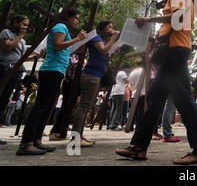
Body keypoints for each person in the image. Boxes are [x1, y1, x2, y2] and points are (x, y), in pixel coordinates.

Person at [116, 0, 197, 165]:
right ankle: (139, 147)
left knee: (183, 100)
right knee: (155, 99)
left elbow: (178, 18)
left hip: (175, 51)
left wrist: (150, 19)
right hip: (171, 52)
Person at [16, 8, 87, 155]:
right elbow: (57, 45)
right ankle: (26, 143)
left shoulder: (63, 28)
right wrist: (77, 39)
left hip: (57, 71)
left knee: (47, 107)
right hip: (51, 70)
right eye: (76, 18)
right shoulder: (60, 26)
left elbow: (61, 48)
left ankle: (36, 140)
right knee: (41, 107)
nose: (76, 22)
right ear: (67, 16)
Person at [71, 20, 120, 146]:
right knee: (84, 106)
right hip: (91, 74)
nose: (111, 29)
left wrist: (113, 49)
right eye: (109, 27)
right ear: (103, 28)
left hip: (97, 74)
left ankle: (79, 135)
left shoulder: (101, 39)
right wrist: (114, 38)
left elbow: (104, 55)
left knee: (87, 105)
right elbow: (103, 51)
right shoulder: (96, 37)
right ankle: (75, 137)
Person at [0, 15, 44, 133]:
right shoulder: (7, 32)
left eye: (26, 25)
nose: (25, 27)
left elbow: (22, 58)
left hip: (17, 70)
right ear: (15, 23)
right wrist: (20, 36)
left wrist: (36, 56)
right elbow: (7, 46)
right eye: (23, 24)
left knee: (4, 99)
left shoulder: (23, 41)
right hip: (5, 67)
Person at [108, 67, 129, 131]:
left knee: (113, 108)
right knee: (118, 109)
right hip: (119, 92)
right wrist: (128, 80)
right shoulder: (122, 72)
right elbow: (126, 81)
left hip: (114, 92)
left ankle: (111, 124)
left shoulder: (116, 73)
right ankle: (114, 125)